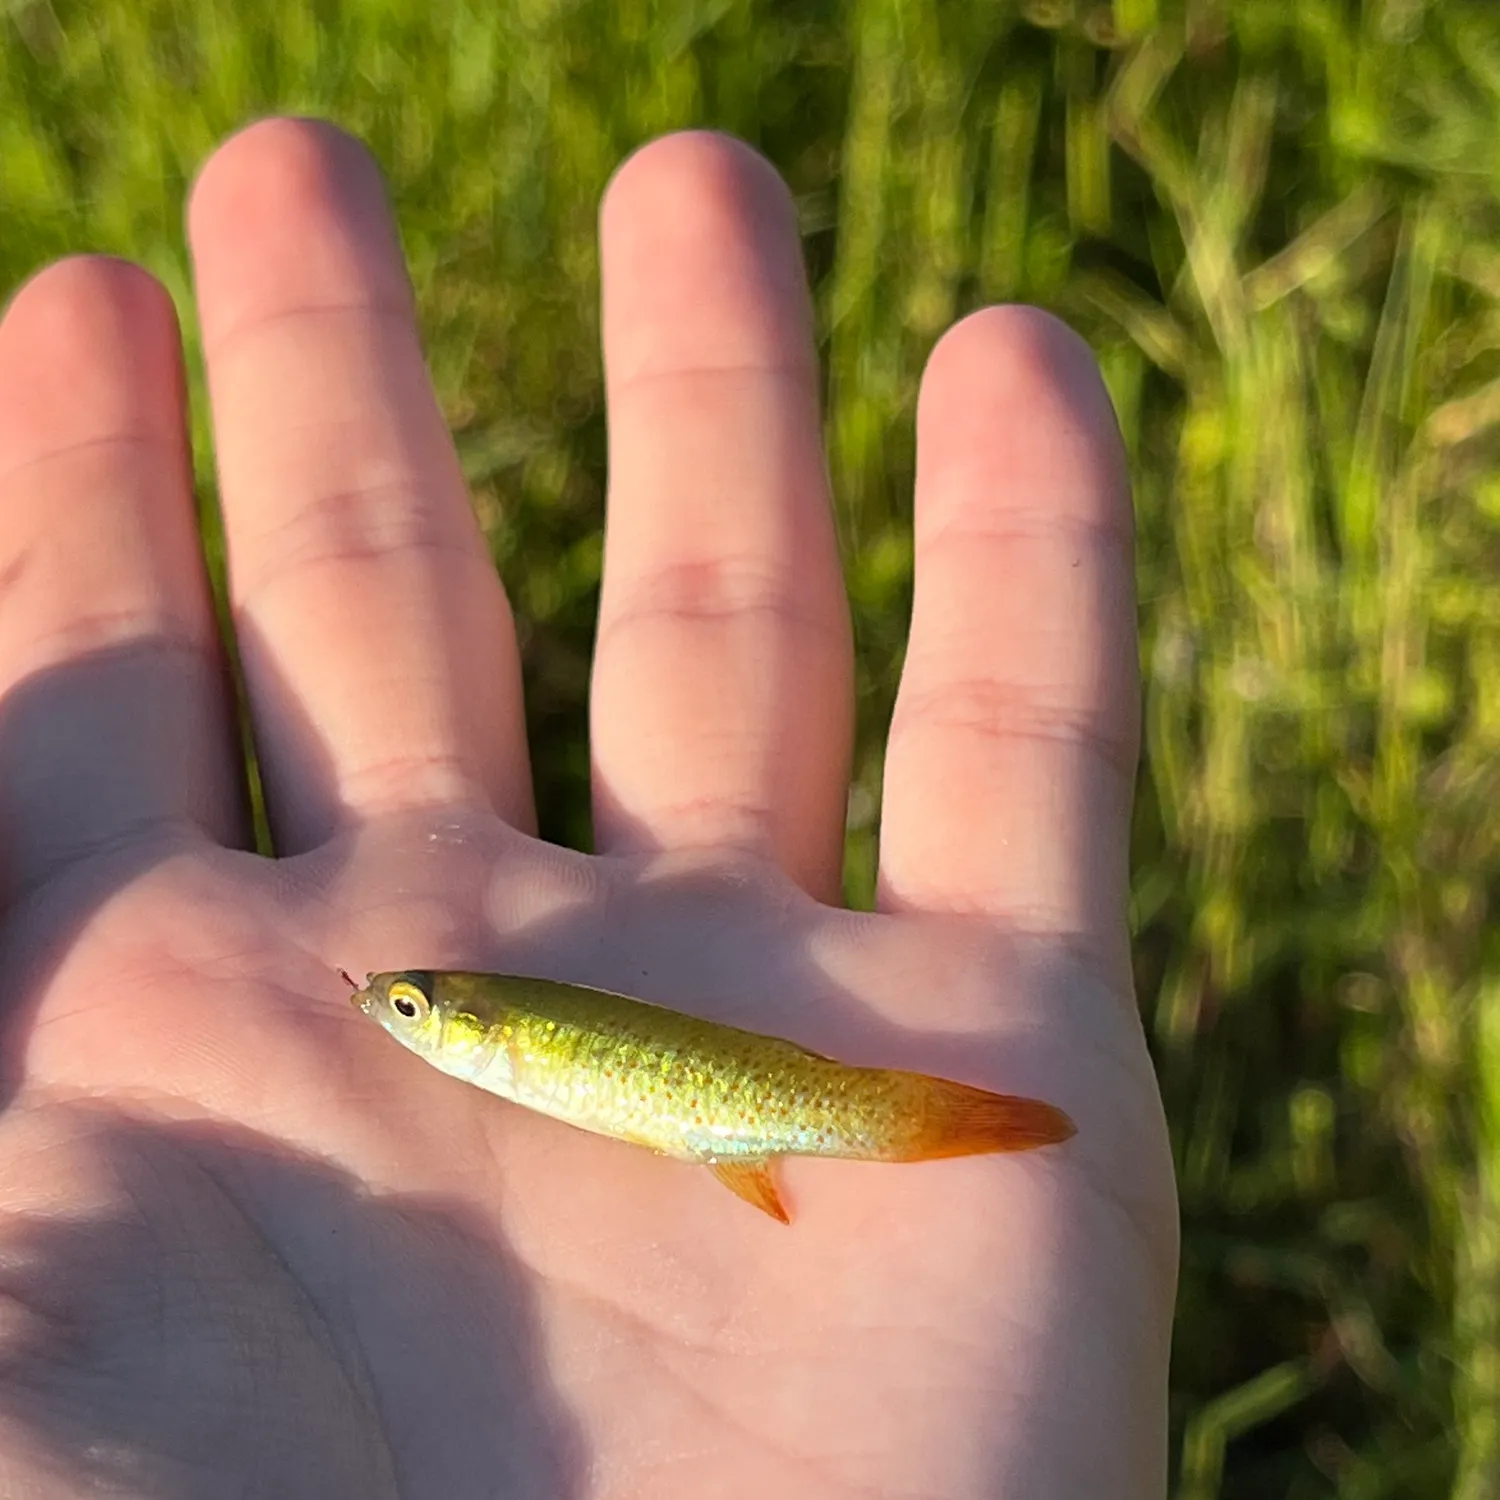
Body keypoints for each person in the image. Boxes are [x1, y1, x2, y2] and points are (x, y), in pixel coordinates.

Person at [0, 119, 1177, 1497]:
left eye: (417, 1009)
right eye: (409, 1008)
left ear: (467, 1019)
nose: (397, 1009)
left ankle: (904, 1117)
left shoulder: (466, 1022)